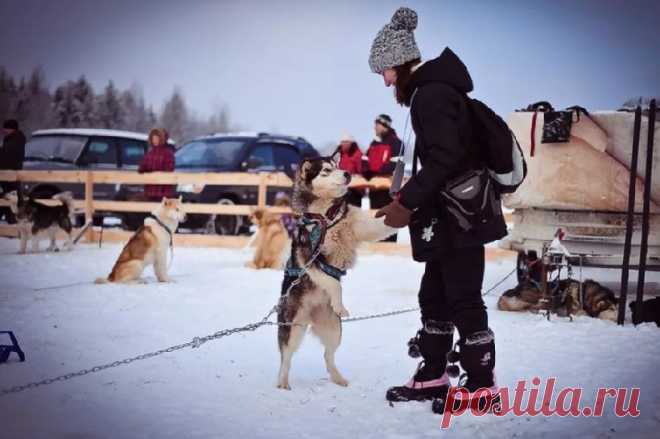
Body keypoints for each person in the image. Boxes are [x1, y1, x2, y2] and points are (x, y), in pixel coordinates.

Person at [369, 7, 507, 410]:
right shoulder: (430, 94)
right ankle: (433, 374)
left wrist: (408, 203)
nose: (385, 81)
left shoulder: (431, 95)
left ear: (399, 62)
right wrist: (405, 196)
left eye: (385, 71)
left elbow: (447, 157)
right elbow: (440, 159)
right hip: (446, 217)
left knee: (463, 298)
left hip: (460, 217)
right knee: (435, 295)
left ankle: (482, 386)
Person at [362, 115, 401, 241]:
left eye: (377, 124)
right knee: (375, 216)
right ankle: (377, 243)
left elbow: (394, 164)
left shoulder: (396, 143)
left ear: (384, 125)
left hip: (388, 188)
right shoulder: (374, 144)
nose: (375, 127)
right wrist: (366, 172)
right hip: (374, 188)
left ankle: (389, 246)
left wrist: (375, 171)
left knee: (389, 217)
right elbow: (365, 161)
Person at [0, 119, 26, 224]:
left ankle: (13, 222)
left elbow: (7, 155)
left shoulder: (16, 140)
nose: (4, 130)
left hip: (11, 174)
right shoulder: (12, 139)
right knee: (9, 198)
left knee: (11, 198)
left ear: (11, 129)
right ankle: (11, 221)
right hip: (8, 174)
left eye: (6, 128)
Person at [138, 128, 175, 201]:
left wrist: (156, 173)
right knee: (150, 210)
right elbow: (141, 169)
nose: (155, 140)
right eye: (153, 138)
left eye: (157, 138)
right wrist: (144, 170)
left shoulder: (168, 154)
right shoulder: (149, 154)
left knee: (161, 211)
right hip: (150, 190)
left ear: (162, 139)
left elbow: (169, 170)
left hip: (163, 191)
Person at [334, 133, 363, 207]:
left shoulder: (358, 154)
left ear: (351, 143)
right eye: (342, 142)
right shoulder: (338, 154)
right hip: (340, 188)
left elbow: (361, 172)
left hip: (354, 189)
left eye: (346, 142)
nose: (344, 144)